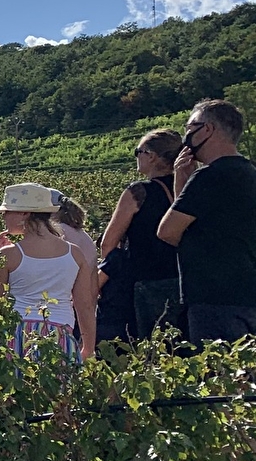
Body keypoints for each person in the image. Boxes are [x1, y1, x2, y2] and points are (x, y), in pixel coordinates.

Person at [159, 99, 256, 344]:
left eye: (190, 127)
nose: (186, 135)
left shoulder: (209, 176)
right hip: (248, 295)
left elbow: (168, 231)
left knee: (216, 376)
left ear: (208, 130)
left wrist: (182, 183)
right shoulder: (250, 173)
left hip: (212, 296)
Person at [0, 183, 97, 360]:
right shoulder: (74, 253)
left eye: (8, 211)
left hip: (18, 335)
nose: (4, 216)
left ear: (25, 213)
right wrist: (88, 347)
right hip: (61, 335)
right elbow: (85, 305)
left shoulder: (9, 254)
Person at [98, 130, 183, 338]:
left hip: (141, 282)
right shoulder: (187, 187)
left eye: (139, 152)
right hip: (179, 280)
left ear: (152, 156)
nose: (137, 157)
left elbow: (108, 243)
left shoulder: (139, 192)